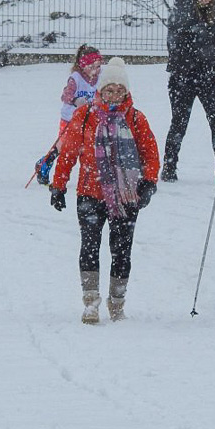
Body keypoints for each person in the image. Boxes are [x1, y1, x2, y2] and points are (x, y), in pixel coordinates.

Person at [49, 57, 160, 324]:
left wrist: (149, 182)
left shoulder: (135, 119)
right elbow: (69, 152)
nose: (113, 95)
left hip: (126, 196)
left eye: (119, 90)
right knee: (89, 247)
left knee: (122, 250)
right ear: (100, 90)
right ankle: (91, 301)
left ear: (126, 92)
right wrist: (59, 184)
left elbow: (151, 154)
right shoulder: (85, 115)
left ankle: (117, 301)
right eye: (108, 89)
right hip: (89, 192)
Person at [161, 0, 215, 183]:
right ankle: (169, 166)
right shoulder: (181, 10)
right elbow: (175, 43)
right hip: (183, 77)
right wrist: (201, 39)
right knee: (179, 123)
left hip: (210, 77)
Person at [35, 45, 103, 185]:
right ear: (83, 65)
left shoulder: (101, 77)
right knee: (64, 147)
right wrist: (75, 100)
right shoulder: (75, 78)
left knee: (89, 147)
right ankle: (44, 163)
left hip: (89, 119)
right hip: (70, 119)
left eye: (97, 66)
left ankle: (91, 176)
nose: (95, 71)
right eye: (91, 67)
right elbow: (65, 95)